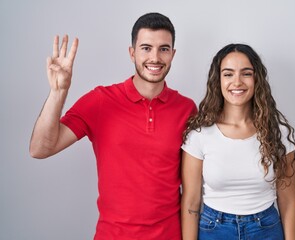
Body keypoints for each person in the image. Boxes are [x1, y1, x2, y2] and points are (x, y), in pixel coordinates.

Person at [29, 12, 197, 240]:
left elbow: (192, 190)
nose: (155, 57)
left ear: (173, 54)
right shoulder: (100, 101)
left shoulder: (186, 109)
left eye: (163, 49)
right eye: (146, 48)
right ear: (132, 53)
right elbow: (40, 149)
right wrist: (58, 92)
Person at [181, 43, 295, 240]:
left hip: (266, 229)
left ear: (256, 79)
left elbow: (288, 201)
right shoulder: (199, 135)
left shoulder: (278, 133)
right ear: (217, 80)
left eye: (246, 73)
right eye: (228, 74)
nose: (237, 82)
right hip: (214, 230)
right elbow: (191, 204)